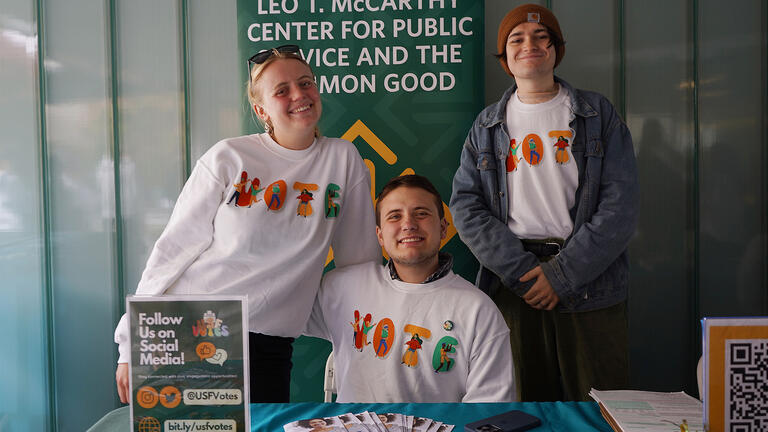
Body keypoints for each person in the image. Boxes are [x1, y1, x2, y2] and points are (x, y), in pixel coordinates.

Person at [113, 45, 380, 403]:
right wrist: (131, 345)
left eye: (306, 83)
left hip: (270, 345)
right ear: (261, 110)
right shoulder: (229, 156)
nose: (299, 95)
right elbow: (173, 250)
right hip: (190, 328)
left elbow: (358, 263)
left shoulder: (342, 159)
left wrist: (368, 342)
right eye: (281, 90)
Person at [450, 4, 638, 402]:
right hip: (514, 287)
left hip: (591, 283)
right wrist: (523, 274)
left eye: (541, 37)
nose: (529, 45)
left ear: (556, 50)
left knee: (599, 409)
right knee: (522, 407)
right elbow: (466, 206)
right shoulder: (485, 127)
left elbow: (620, 206)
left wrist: (562, 276)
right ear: (505, 58)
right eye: (516, 39)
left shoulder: (596, 114)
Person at [305, 175, 514, 402]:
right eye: (395, 216)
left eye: (421, 213)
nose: (409, 224)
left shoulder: (478, 310)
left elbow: (488, 409)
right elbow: (274, 309)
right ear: (380, 235)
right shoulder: (341, 288)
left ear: (444, 228)